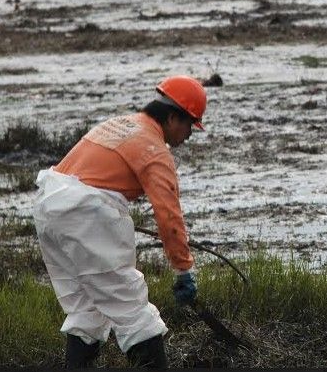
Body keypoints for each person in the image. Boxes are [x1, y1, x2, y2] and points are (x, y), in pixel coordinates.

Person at [33, 75, 206, 368]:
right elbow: (169, 216)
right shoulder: (154, 149)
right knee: (133, 312)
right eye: (190, 125)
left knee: (85, 311)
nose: (189, 134)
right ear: (174, 117)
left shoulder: (117, 124)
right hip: (85, 215)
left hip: (49, 209)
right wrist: (183, 269)